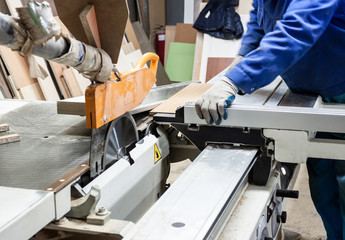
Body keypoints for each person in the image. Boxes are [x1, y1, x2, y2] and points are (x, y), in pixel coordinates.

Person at [195, 0, 345, 239]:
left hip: (341, 88)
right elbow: (260, 16)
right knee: (323, 183)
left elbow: (297, 30)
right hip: (311, 93)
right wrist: (243, 57)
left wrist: (237, 79)